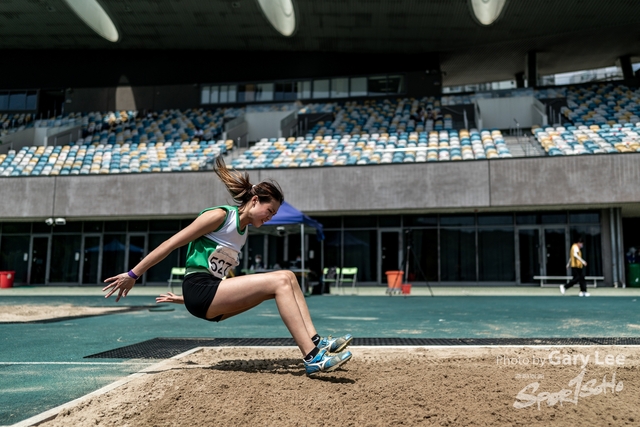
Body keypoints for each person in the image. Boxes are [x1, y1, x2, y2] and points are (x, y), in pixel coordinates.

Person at [103, 156, 352, 376]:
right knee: (280, 280)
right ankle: (312, 358)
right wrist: (133, 274)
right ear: (255, 200)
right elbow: (171, 243)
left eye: (274, 214)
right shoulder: (220, 216)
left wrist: (182, 300)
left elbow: (217, 273)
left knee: (288, 277)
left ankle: (316, 343)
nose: (270, 217)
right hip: (200, 290)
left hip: (208, 294)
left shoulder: (243, 232)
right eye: (270, 210)